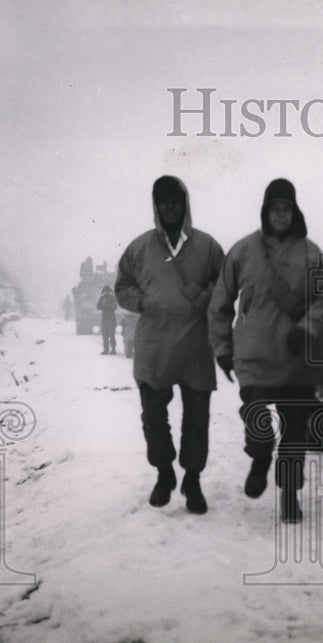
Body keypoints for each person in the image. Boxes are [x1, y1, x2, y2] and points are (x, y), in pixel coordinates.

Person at [208, 178, 323, 524]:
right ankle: (260, 458)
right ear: (266, 211)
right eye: (275, 208)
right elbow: (220, 302)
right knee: (257, 421)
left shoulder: (311, 253)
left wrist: (307, 329)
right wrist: (222, 348)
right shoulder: (243, 251)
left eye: (287, 208)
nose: (281, 214)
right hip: (254, 357)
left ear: (295, 211)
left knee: (295, 434)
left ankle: (290, 495)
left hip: (297, 361)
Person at [115, 175, 225, 515]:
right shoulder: (139, 247)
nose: (171, 206)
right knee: (153, 417)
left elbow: (224, 286)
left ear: (185, 203)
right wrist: (143, 301)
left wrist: (204, 295)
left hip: (195, 344)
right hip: (154, 347)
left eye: (176, 200)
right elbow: (122, 287)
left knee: (196, 419)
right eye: (164, 201)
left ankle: (192, 480)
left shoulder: (207, 246)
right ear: (155, 205)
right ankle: (164, 474)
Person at [96, 285, 118, 354]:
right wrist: (103, 306)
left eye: (107, 291)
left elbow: (115, 307)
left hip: (111, 319)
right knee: (105, 336)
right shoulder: (101, 298)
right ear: (103, 291)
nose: (106, 292)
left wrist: (107, 306)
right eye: (105, 291)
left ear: (110, 291)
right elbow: (98, 307)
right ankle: (106, 350)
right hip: (105, 319)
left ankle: (113, 349)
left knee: (112, 336)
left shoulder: (112, 298)